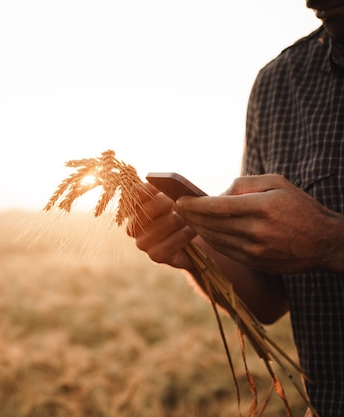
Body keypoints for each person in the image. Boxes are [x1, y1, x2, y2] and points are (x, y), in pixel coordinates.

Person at [126, 1, 344, 416]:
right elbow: (268, 302)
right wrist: (191, 249)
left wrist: (332, 243)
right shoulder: (281, 86)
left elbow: (322, 242)